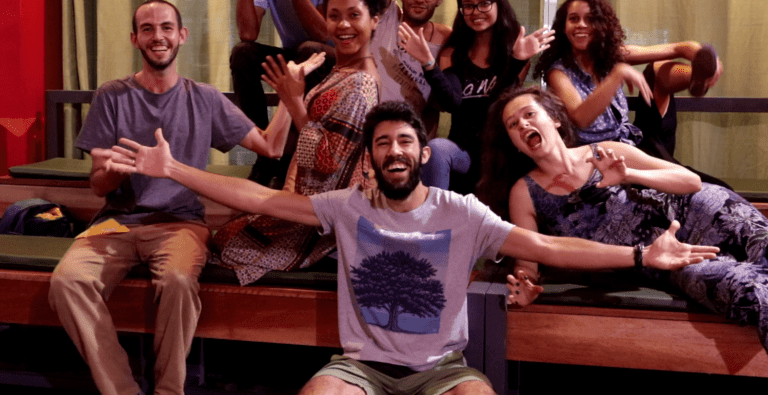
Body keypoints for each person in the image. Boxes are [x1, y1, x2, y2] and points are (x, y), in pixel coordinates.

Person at [105, 100, 716, 395]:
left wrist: (642, 257)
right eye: (382, 144)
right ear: (370, 158)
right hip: (358, 370)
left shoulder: (462, 213)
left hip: (443, 372)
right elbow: (258, 197)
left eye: (404, 142)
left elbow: (548, 245)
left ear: (423, 153)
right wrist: (175, 169)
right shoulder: (347, 207)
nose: (393, 151)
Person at [48, 0, 295, 395]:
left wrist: (288, 98)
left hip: (180, 223)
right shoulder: (112, 96)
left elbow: (270, 147)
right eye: (147, 29)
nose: (157, 36)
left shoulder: (204, 97)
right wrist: (116, 170)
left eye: (166, 27)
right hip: (116, 223)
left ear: (182, 35)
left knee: (179, 281)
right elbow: (97, 185)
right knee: (67, 282)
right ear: (135, 39)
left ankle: (169, 391)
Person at [478, 85, 768, 352]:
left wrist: (629, 174)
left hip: (700, 210)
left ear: (554, 119)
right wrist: (526, 285)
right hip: (663, 257)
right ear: (515, 144)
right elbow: (528, 261)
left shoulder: (606, 150)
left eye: (529, 114)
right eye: (513, 124)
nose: (523, 124)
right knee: (747, 291)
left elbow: (691, 182)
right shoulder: (524, 193)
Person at [214, 0, 386, 285]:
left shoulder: (361, 83)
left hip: (324, 219)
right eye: (334, 16)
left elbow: (327, 161)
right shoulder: (343, 70)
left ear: (374, 19)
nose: (343, 25)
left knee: (229, 246)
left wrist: (293, 100)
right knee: (226, 234)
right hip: (307, 199)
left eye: (354, 15)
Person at [405, 0, 553, 193]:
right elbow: (452, 103)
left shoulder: (515, 53)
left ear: (498, 4)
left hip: (500, 153)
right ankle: (434, 214)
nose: (476, 11)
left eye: (484, 3)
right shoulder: (452, 53)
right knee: (436, 148)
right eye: (468, 6)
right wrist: (428, 64)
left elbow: (499, 106)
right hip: (462, 152)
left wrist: (517, 62)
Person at [534, 0, 722, 161]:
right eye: (574, 19)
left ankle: (697, 77)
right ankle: (697, 78)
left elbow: (678, 48)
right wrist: (618, 74)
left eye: (590, 19)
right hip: (599, 158)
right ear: (564, 26)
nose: (581, 25)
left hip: (633, 145)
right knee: (693, 181)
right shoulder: (558, 72)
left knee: (656, 69)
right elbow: (581, 118)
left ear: (601, 25)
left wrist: (704, 59)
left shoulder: (611, 56)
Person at [232, 0, 344, 184]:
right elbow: (248, 33)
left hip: (332, 60)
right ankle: (264, 150)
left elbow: (323, 34)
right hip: (296, 57)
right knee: (243, 53)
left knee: (309, 49)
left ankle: (296, 154)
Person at [369, 0, 494, 137]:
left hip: (410, 139)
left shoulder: (448, 39)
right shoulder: (385, 17)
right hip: (369, 130)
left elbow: (445, 103)